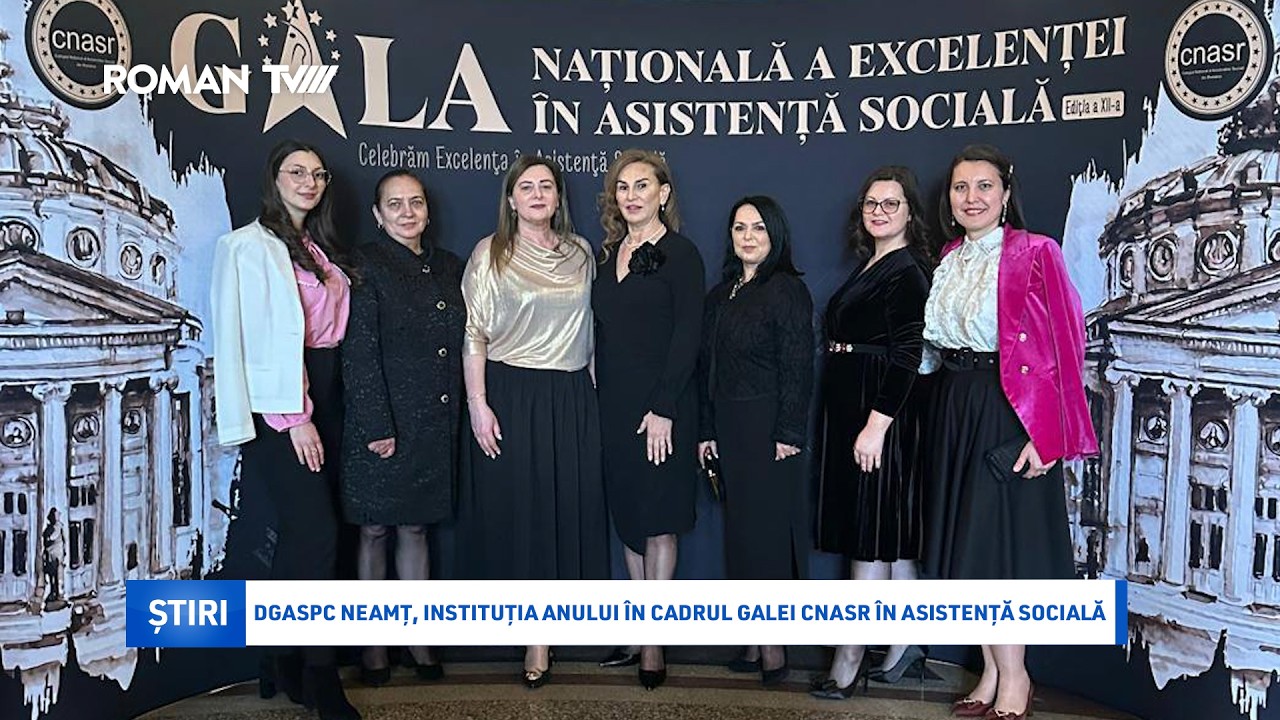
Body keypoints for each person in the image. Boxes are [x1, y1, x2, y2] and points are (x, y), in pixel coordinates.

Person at [921, 144, 1098, 720]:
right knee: (972, 549)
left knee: (1001, 554)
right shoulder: (950, 255)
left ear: (1004, 193)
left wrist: (1049, 435)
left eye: (984, 186)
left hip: (1008, 410)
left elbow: (1068, 347)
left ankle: (1016, 677)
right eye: (961, 187)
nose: (971, 198)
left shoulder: (1037, 252)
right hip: (956, 406)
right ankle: (992, 671)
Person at [210, 139, 360, 720]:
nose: (309, 181)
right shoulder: (244, 247)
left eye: (318, 174)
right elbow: (246, 339)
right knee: (317, 537)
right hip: (285, 405)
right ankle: (321, 675)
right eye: (296, 171)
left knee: (303, 539)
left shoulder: (319, 249)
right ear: (275, 178)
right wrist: (294, 418)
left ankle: (279, 656)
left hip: (330, 394)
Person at [459, 155, 608, 689]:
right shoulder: (490, 252)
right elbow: (473, 333)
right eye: (527, 186)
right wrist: (478, 404)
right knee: (522, 513)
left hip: (570, 396)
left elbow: (591, 329)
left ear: (558, 196)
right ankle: (530, 635)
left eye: (547, 185)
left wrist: (596, 395)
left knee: (561, 509)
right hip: (511, 393)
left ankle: (548, 627)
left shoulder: (581, 252)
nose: (538, 194)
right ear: (511, 199)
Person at [811, 167, 932, 699]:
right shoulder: (876, 264)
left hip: (879, 412)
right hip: (856, 406)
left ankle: (850, 657)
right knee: (888, 533)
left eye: (891, 203)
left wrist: (877, 426)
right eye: (871, 203)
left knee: (871, 534)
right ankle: (905, 643)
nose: (879, 211)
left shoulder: (907, 271)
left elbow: (908, 354)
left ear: (909, 212)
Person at [340, 169, 464, 685]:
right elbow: (359, 352)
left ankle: (417, 639)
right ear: (378, 214)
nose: (407, 212)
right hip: (381, 420)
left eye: (416, 202)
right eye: (395, 204)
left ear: (428, 212)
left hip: (433, 421)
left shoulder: (450, 266)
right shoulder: (364, 266)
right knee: (373, 529)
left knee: (415, 527)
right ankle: (373, 645)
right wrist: (376, 425)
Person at [592, 149, 705, 690]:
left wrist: (664, 407)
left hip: (664, 406)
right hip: (614, 407)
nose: (631, 195)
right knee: (631, 517)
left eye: (642, 185)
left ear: (663, 193)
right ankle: (640, 628)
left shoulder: (681, 254)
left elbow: (688, 334)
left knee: (659, 519)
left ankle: (654, 640)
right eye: (623, 186)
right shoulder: (607, 256)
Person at [697, 196, 813, 687]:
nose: (748, 237)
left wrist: (789, 432)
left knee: (766, 539)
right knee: (741, 537)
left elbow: (798, 365)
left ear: (775, 235)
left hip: (768, 429)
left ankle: (774, 649)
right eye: (740, 228)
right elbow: (707, 370)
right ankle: (751, 637)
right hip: (729, 426)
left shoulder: (785, 290)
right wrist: (706, 430)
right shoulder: (720, 295)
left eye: (759, 228)